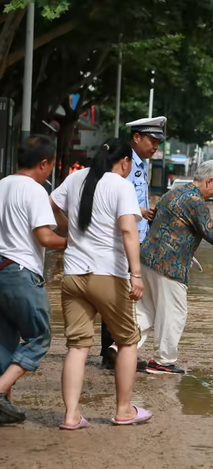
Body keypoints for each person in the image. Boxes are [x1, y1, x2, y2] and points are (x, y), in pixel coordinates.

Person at [50, 138, 152, 429]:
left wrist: (69, 231)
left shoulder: (75, 178)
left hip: (73, 274)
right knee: (128, 341)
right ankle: (123, 410)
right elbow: (128, 231)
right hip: (109, 274)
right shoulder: (122, 186)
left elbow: (52, 204)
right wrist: (136, 274)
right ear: (124, 162)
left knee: (77, 346)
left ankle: (71, 416)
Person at [137, 160, 213, 374]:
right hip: (170, 266)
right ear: (209, 180)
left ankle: (121, 347)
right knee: (174, 314)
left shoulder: (171, 193)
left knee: (145, 310)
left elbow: (156, 221)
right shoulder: (196, 202)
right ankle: (162, 362)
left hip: (147, 259)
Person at [0, 135, 67, 425]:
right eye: (51, 166)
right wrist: (73, 242)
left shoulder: (2, 185)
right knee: (39, 336)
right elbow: (44, 237)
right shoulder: (36, 190)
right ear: (43, 164)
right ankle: (0, 391)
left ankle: (5, 406)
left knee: (4, 342)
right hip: (21, 272)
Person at [100, 116, 166, 370]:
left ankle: (116, 350)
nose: (155, 147)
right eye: (152, 140)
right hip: (123, 241)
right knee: (118, 298)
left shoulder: (140, 165)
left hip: (136, 240)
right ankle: (112, 353)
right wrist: (140, 210)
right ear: (136, 137)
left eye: (158, 142)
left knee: (125, 299)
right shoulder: (124, 164)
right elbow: (115, 199)